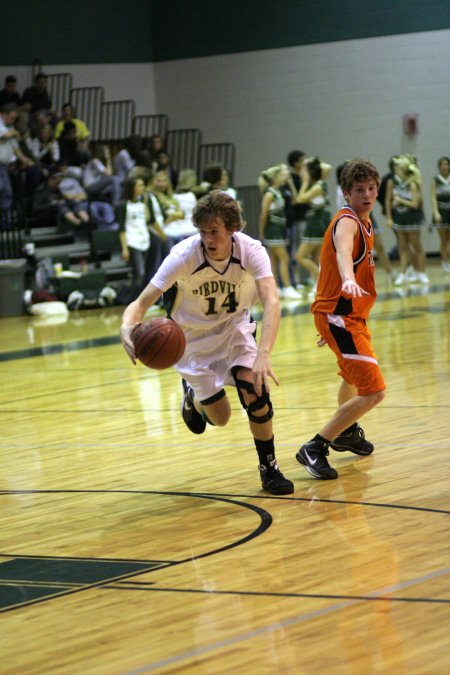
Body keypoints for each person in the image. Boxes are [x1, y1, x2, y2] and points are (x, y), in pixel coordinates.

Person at [119, 190, 294, 495]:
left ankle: (269, 468)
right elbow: (141, 302)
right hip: (191, 340)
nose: (208, 239)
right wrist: (126, 326)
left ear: (232, 229)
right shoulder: (184, 255)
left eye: (214, 232)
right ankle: (193, 397)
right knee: (221, 418)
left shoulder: (252, 251)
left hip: (234, 328)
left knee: (256, 392)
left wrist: (263, 353)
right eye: (203, 232)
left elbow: (272, 302)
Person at [296, 159, 386, 480]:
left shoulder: (366, 220)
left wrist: (327, 310)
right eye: (359, 189)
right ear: (346, 193)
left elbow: (328, 265)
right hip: (340, 317)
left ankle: (346, 432)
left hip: (343, 315)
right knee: (374, 390)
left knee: (352, 377)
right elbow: (341, 254)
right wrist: (346, 280)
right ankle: (316, 446)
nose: (367, 194)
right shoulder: (347, 222)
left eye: (372, 188)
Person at [117, 175, 167, 300]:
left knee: (143, 273)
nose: (142, 188)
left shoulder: (144, 202)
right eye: (139, 185)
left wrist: (145, 203)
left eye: (142, 185)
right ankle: (132, 301)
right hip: (132, 241)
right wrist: (125, 248)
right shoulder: (123, 205)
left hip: (144, 239)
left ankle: (140, 301)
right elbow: (121, 229)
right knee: (139, 273)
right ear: (132, 188)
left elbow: (149, 219)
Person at [259, 164, 301, 299]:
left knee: (275, 260)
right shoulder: (270, 194)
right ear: (275, 178)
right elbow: (263, 215)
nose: (285, 177)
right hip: (273, 230)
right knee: (285, 258)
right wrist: (262, 233)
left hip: (280, 229)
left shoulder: (278, 192)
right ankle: (288, 287)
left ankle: (275, 288)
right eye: (282, 175)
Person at [385, 155, 428, 285]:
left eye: (398, 168)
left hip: (412, 218)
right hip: (399, 217)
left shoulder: (413, 184)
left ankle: (422, 273)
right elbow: (388, 200)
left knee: (417, 246)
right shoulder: (393, 181)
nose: (395, 170)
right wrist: (389, 217)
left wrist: (400, 200)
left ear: (404, 170)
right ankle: (403, 273)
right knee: (403, 247)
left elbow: (415, 204)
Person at [294, 157, 332, 293]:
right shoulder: (318, 183)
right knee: (317, 257)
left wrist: (304, 182)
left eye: (306, 170)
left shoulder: (318, 186)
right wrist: (308, 164)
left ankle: (324, 281)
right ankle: (321, 284)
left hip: (317, 223)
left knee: (300, 256)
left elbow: (300, 198)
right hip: (317, 223)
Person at [0, 103, 34, 209]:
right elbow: (5, 135)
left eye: (15, 118)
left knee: (7, 194)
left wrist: (24, 159)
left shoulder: (10, 127)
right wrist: (15, 133)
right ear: (3, 114)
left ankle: (6, 223)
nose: (13, 120)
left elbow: (16, 148)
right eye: (12, 117)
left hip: (3, 166)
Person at [431, 156, 450, 273]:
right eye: (442, 164)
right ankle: (445, 261)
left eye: (446, 164)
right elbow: (433, 197)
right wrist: (436, 212)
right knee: (443, 240)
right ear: (439, 167)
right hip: (441, 212)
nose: (444, 166)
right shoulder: (435, 180)